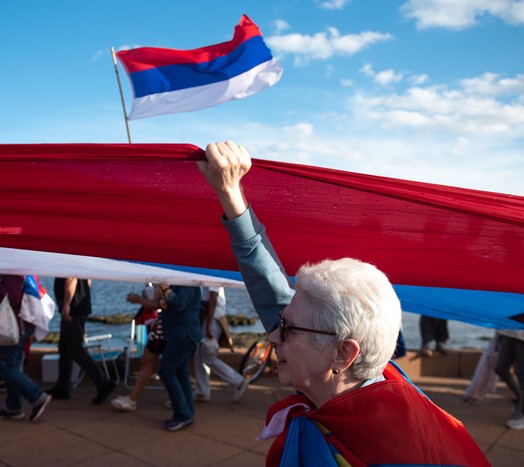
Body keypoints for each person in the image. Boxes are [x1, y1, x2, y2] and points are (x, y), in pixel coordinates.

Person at [196, 141, 488, 465]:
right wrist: (229, 191)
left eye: (287, 329)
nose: (272, 336)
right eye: (281, 323)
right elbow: (269, 285)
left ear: (343, 353)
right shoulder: (364, 382)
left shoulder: (394, 452)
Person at [0, 273, 51, 421]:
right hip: (20, 326)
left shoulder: (13, 274)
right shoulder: (17, 272)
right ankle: (13, 406)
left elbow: (13, 298)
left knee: (3, 367)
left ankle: (36, 396)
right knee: (13, 366)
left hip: (13, 328)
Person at [48, 277, 116, 404]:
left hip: (74, 309)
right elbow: (88, 279)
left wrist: (67, 304)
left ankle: (103, 383)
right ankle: (62, 387)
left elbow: (71, 278)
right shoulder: (81, 259)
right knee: (65, 348)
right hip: (79, 306)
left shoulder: (71, 259)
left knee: (74, 348)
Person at [111, 285, 166, 411]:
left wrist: (139, 300)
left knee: (157, 365)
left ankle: (132, 400)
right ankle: (132, 399)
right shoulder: (166, 281)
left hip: (162, 329)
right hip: (163, 328)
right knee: (149, 362)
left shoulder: (165, 281)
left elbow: (155, 305)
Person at [157, 283, 201, 431]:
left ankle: (183, 414)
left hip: (184, 334)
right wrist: (164, 303)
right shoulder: (184, 280)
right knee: (181, 373)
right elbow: (178, 304)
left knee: (166, 371)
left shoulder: (188, 281)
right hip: (181, 333)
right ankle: (187, 412)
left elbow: (180, 303)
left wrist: (166, 289)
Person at [193, 286, 247, 402]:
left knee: (208, 358)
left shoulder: (212, 277)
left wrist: (209, 325)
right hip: (210, 320)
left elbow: (213, 298)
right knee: (200, 357)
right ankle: (203, 390)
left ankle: (238, 381)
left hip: (211, 321)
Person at [494, 329, 524, 430]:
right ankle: (520, 399)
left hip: (522, 336)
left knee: (522, 373)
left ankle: (522, 413)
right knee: (500, 368)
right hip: (507, 332)